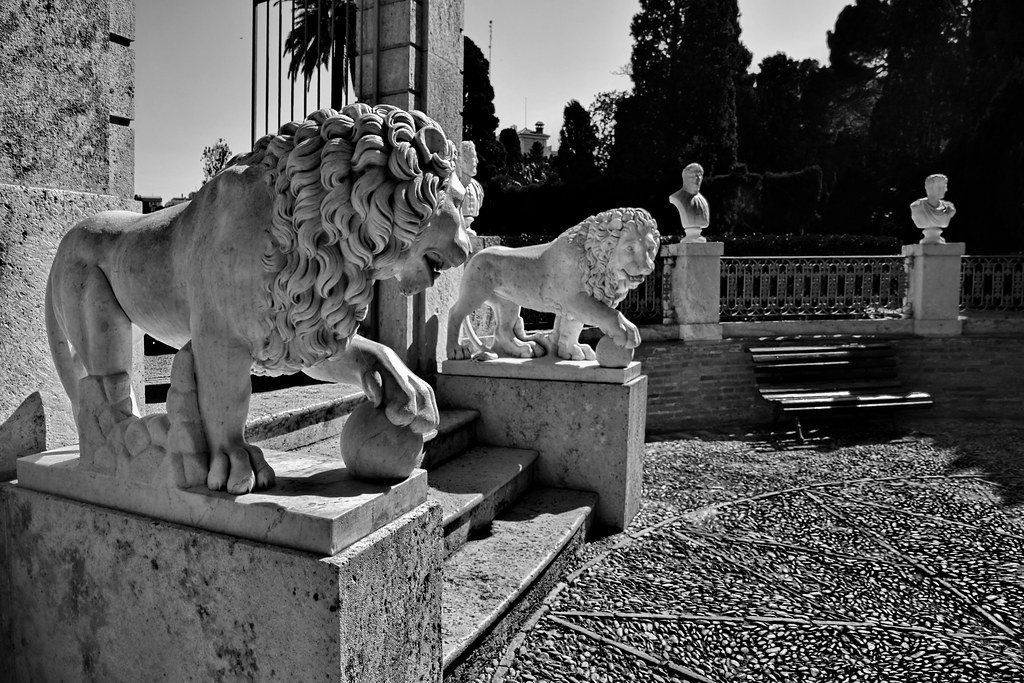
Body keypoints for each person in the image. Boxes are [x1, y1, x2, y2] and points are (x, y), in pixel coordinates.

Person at [669, 162, 710, 232]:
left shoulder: (703, 200)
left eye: (700, 175)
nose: (698, 179)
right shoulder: (678, 197)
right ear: (685, 179)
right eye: (693, 176)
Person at [458, 141, 485, 236]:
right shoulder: (453, 185)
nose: (477, 161)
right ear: (464, 160)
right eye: (474, 157)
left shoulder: (477, 187)